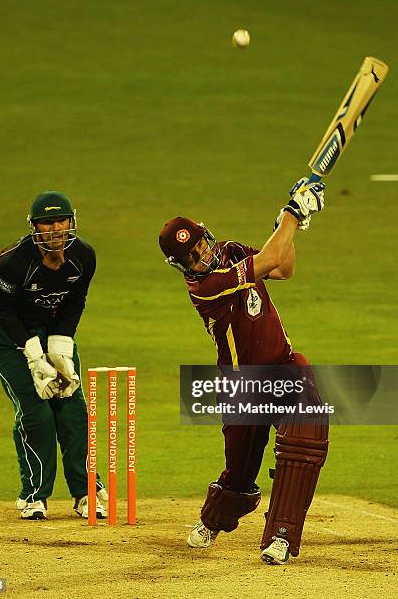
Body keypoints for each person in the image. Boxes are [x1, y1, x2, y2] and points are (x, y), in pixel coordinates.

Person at [158, 178, 329, 564]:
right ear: (181, 266)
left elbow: (283, 269)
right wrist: (292, 213)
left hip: (283, 367)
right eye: (191, 257)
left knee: (306, 434)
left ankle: (282, 535)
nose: (201, 256)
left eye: (200, 245)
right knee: (240, 472)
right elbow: (266, 262)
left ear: (207, 236)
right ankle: (213, 518)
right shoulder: (203, 287)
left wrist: (286, 229)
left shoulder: (230, 250)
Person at [0, 191, 107, 520]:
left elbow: (74, 302)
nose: (54, 229)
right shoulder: (14, 262)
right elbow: (1, 310)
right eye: (46, 222)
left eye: (60, 220)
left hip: (50, 329)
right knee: (37, 412)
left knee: (71, 407)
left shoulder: (84, 257)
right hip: (7, 337)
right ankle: (34, 495)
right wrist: (34, 355)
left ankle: (85, 492)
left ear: (71, 221)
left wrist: (61, 345)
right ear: (34, 226)